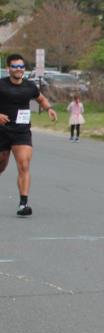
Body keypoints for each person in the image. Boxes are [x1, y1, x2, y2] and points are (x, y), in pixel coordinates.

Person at [0, 53, 58, 216]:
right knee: (1, 164)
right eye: (15, 66)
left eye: (21, 66)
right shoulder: (1, 84)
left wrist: (49, 109)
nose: (19, 69)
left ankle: (23, 204)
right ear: (8, 68)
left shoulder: (30, 86)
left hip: (21, 131)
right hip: (2, 131)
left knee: (24, 165)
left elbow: (41, 99)